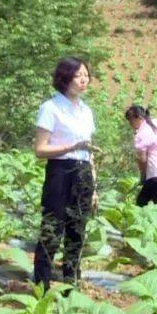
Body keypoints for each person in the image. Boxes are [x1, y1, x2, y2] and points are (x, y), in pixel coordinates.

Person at [32, 58, 97, 288]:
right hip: (60, 171)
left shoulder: (86, 111)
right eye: (79, 75)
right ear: (64, 78)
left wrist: (94, 186)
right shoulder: (51, 108)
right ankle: (42, 284)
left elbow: (89, 150)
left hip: (83, 172)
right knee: (53, 229)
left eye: (86, 75)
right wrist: (71, 147)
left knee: (77, 229)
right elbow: (40, 149)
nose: (84, 80)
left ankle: (71, 281)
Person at [125, 105, 157, 219]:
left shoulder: (141, 135)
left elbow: (142, 160)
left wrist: (143, 176)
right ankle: (137, 224)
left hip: (156, 176)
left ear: (138, 117)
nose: (130, 124)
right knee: (141, 202)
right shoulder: (155, 123)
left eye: (130, 120)